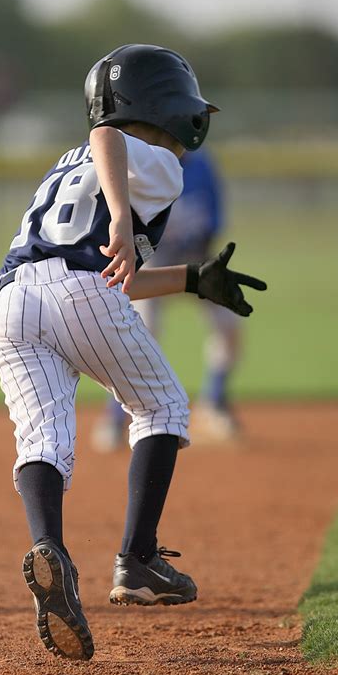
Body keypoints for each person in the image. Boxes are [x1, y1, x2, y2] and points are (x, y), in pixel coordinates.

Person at [0, 44, 266, 662]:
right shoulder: (157, 160)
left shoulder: (66, 163)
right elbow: (108, 134)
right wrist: (121, 218)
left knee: (42, 441)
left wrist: (191, 279)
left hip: (12, 301)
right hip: (77, 290)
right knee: (163, 407)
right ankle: (138, 561)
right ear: (167, 106)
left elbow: (111, 271)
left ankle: (49, 550)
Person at [92, 149, 242, 451]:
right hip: (155, 263)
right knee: (136, 334)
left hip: (197, 260)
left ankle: (215, 402)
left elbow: (213, 220)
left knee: (229, 325)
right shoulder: (145, 165)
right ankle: (114, 418)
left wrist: (205, 264)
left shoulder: (201, 165)